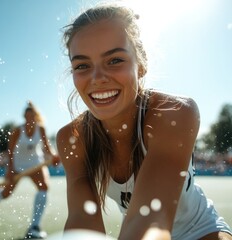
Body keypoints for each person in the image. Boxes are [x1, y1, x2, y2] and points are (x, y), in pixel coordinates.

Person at [56, 3, 232, 240]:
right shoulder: (72, 138)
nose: (97, 79)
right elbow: (82, 221)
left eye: (115, 60)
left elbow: (150, 218)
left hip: (201, 232)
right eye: (82, 66)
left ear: (141, 65)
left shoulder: (174, 113)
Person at [0, 101, 60, 239]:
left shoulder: (41, 129)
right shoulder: (17, 130)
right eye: (27, 116)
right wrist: (10, 169)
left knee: (44, 187)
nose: (29, 119)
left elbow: (47, 147)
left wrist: (54, 156)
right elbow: (10, 151)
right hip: (17, 165)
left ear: (35, 116)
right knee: (7, 193)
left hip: (35, 164)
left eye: (31, 116)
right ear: (24, 117)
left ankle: (34, 227)